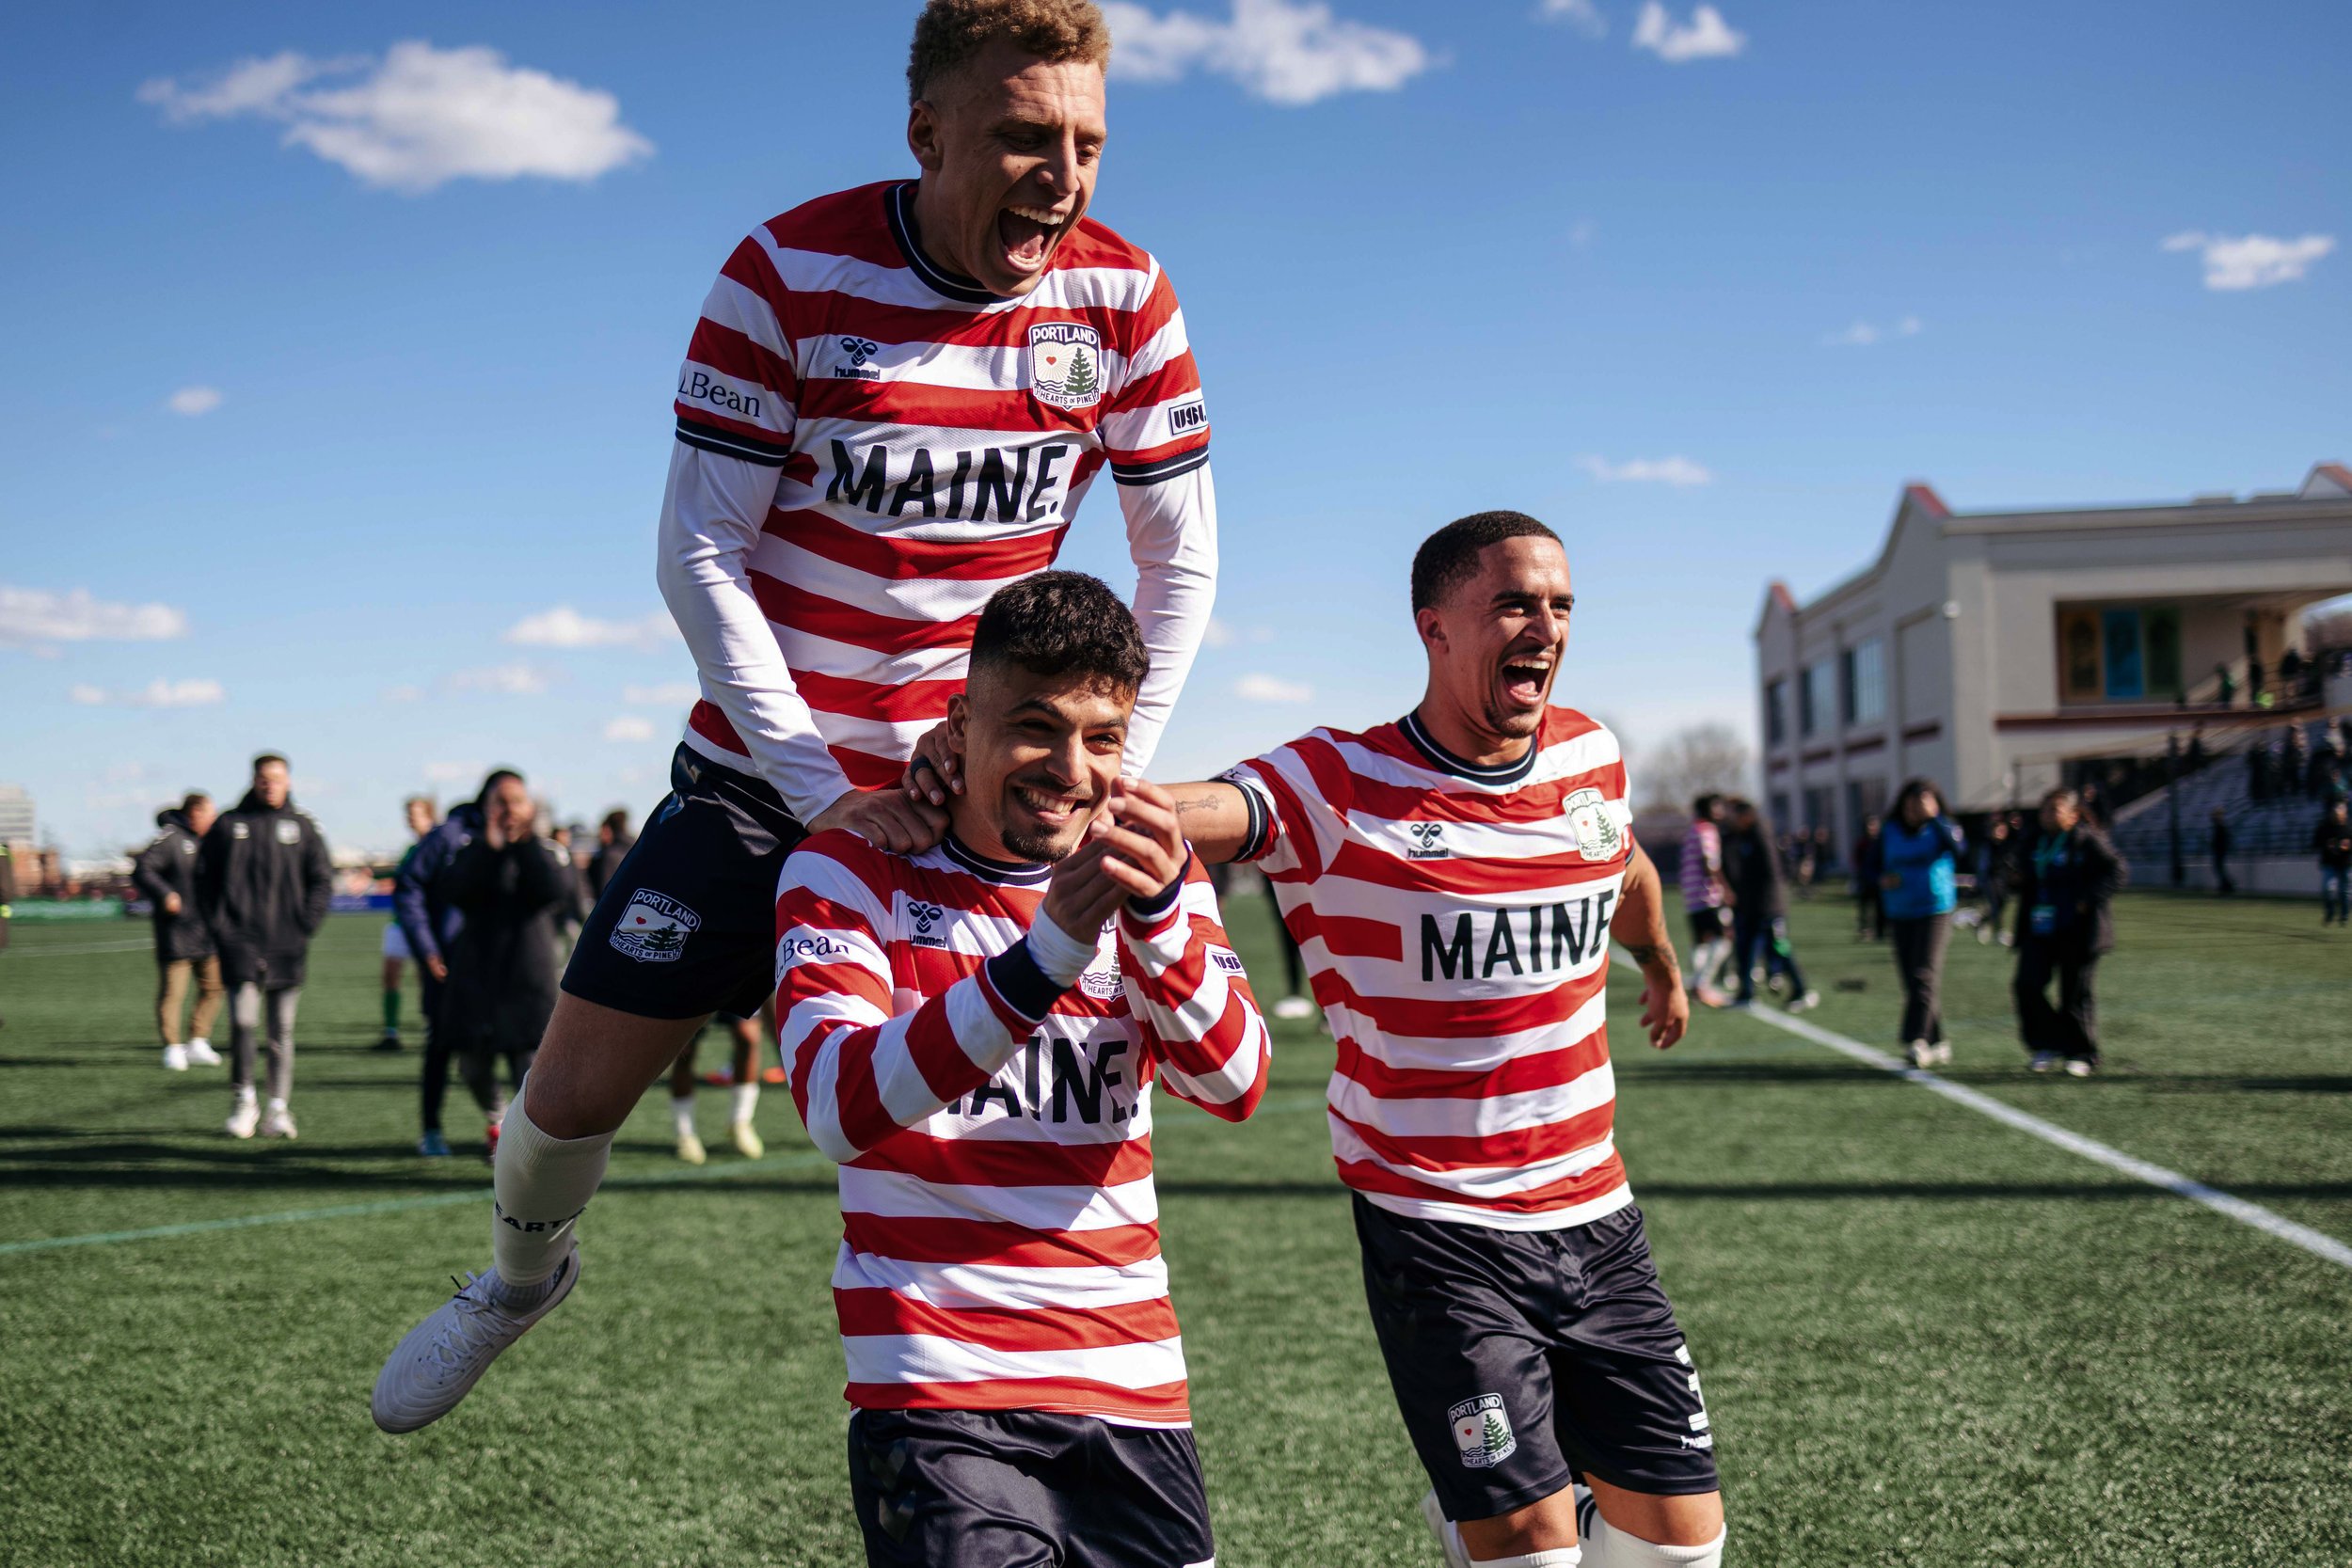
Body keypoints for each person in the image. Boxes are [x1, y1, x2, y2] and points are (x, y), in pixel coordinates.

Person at [373, 0, 1218, 1433]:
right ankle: (519, 1279)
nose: (1063, 174)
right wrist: (824, 782)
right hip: (770, 783)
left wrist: (1106, 757)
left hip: (983, 806)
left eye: (1085, 142)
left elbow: (1179, 554)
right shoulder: (786, 272)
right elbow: (695, 551)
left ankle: (1024, 1404)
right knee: (566, 1100)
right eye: (1022, 136)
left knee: (1005, 1107)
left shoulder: (1124, 296)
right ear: (926, 132)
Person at [1142, 515, 1725, 1568]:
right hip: (1434, 1223)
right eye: (1513, 602)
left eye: (1558, 606)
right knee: (1533, 1557)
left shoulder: (1590, 754)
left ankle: (1519, 1514)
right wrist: (1030, 784)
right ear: (1434, 627)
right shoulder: (1339, 782)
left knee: (1681, 1549)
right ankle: (1491, 1521)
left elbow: (1624, 867)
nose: (1543, 625)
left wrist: (1660, 962)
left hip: (1597, 1213)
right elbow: (1192, 811)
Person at [771, 573, 1265, 1565]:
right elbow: (838, 1102)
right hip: (939, 1388)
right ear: (960, 725)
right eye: (1035, 726)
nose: (1070, 767)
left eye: (1103, 737)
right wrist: (1047, 951)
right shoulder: (848, 870)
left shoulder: (1156, 879)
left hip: (1134, 1382)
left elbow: (1234, 1082)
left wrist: (1159, 915)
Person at [197, 753, 333, 1139]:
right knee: (242, 1022)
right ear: (253, 780)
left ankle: (278, 1108)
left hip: (287, 944)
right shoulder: (228, 824)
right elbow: (203, 881)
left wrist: (305, 923)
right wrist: (220, 927)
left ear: (288, 781)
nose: (269, 784)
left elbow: (322, 879)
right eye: (263, 778)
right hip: (238, 943)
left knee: (281, 1031)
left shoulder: (303, 826)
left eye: (276, 778)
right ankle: (244, 1101)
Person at [439, 774, 573, 1160]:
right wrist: (491, 847)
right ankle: (497, 1117)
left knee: (528, 1067)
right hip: (477, 973)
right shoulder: (472, 849)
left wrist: (525, 844)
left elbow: (552, 893)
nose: (508, 811)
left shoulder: (545, 850)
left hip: (528, 974)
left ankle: (518, 1137)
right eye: (500, 803)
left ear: (530, 808)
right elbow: (456, 892)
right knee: (472, 1064)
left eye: (516, 802)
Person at [394, 774, 516, 1158]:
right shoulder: (450, 835)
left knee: (515, 1048)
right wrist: (428, 949)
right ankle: (431, 1129)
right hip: (450, 967)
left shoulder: (522, 839)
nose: (510, 807)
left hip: (503, 970)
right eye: (503, 799)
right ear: (487, 799)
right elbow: (409, 887)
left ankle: (506, 1129)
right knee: (442, 1046)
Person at [2012, 788, 2123, 1077]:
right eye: (2044, 809)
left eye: (2055, 809)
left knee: (2074, 993)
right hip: (2040, 928)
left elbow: (2117, 871)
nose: (2047, 815)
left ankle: (2083, 1053)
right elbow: (2026, 878)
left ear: (2073, 815)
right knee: (2027, 985)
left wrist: (2087, 899)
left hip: (2078, 930)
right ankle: (2046, 1044)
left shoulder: (2086, 840)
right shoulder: (2034, 841)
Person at [134, 792, 224, 1071]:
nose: (213, 817)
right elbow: (143, 869)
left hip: (208, 930)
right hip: (176, 931)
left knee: (215, 987)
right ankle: (172, 1047)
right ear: (194, 813)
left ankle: (198, 1040)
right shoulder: (170, 838)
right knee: (173, 992)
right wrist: (165, 894)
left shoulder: (211, 841)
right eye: (209, 812)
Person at [1880, 778, 1965, 1069]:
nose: (1916, 809)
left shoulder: (1942, 828)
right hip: (1900, 910)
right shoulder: (1889, 831)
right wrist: (1879, 879)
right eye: (1911, 803)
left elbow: (1961, 850)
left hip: (1935, 909)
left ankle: (1916, 1038)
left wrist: (1936, 818)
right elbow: (1870, 864)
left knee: (1923, 974)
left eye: (1923, 802)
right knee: (1911, 979)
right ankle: (1937, 1039)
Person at [1724, 799, 1819, 1013]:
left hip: (1767, 908)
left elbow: (1772, 874)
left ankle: (1802, 990)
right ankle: (1746, 994)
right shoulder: (1740, 838)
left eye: (1736, 815)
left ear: (1746, 816)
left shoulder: (1760, 835)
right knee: (1746, 950)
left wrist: (1768, 906)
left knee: (1780, 949)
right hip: (1750, 907)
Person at [664, 1006, 770, 1164]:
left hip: (734, 982)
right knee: (685, 1048)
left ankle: (740, 1122)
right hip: (692, 984)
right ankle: (685, 1132)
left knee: (748, 1036)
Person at [375, 796, 437, 1053]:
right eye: (408, 814)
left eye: (415, 813)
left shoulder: (437, 846)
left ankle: (432, 1028)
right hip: (401, 922)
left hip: (426, 924)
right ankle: (391, 1032)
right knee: (391, 973)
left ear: (429, 815)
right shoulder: (412, 848)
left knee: (428, 977)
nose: (410, 819)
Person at [1679, 793, 1733, 1007]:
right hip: (1706, 895)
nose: (1720, 811)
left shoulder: (1693, 829)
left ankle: (1696, 984)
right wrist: (1724, 889)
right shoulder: (1706, 830)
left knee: (1701, 941)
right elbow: (1708, 862)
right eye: (1716, 807)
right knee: (1724, 938)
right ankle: (1702, 985)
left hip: (1691, 896)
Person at [1977, 813, 2014, 945]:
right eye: (1998, 830)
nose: (2000, 833)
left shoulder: (2006, 845)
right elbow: (1984, 865)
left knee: (2001, 904)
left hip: (2002, 878)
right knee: (1995, 904)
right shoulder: (1988, 845)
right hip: (1989, 878)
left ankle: (1983, 921)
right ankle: (1999, 931)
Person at [2315, 800, 2352, 926]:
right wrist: (2327, 845)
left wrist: (2347, 846)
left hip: (2345, 863)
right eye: (2336, 812)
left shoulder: (2348, 827)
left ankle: (2344, 915)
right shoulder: (2325, 827)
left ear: (2344, 813)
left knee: (2345, 891)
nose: (2338, 815)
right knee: (2328, 889)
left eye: (2340, 812)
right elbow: (2315, 842)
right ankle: (2330, 912)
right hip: (2329, 863)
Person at [1851, 813, 1884, 941]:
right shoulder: (1862, 843)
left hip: (1879, 879)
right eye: (1870, 825)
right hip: (1865, 880)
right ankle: (1864, 929)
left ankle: (1879, 931)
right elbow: (1857, 861)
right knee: (1864, 905)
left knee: (1880, 906)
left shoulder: (1881, 842)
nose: (1872, 828)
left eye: (1874, 825)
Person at [2209, 807, 2235, 895]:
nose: (2213, 817)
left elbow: (2223, 839)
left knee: (2218, 868)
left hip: (2220, 850)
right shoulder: (2219, 826)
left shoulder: (2221, 826)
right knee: (2219, 868)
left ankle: (2227, 885)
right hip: (2219, 850)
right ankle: (2226, 884)